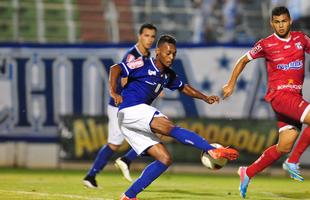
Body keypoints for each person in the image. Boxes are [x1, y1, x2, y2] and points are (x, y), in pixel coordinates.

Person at [110, 34, 239, 200]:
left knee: (165, 159)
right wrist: (113, 91)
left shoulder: (168, 75)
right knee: (170, 127)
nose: (171, 57)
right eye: (167, 53)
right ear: (158, 52)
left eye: (173, 54)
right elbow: (116, 68)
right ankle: (211, 149)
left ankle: (129, 196)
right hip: (130, 109)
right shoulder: (143, 62)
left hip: (129, 121)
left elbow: (184, 88)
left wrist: (205, 98)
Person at [222, 6, 310, 199]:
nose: (280, 25)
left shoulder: (301, 39)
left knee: (284, 146)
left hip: (295, 98)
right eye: (277, 22)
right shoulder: (266, 44)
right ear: (272, 23)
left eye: (284, 21)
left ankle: (248, 172)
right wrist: (231, 83)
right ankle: (293, 161)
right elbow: (243, 60)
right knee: (292, 150)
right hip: (280, 96)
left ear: (290, 21)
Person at [83, 23, 158, 188]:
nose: (150, 39)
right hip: (121, 106)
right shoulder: (133, 56)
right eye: (146, 35)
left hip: (130, 105)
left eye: (153, 36)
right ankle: (97, 173)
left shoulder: (146, 56)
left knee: (150, 133)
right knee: (116, 143)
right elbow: (124, 80)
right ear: (140, 36)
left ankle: (98, 173)